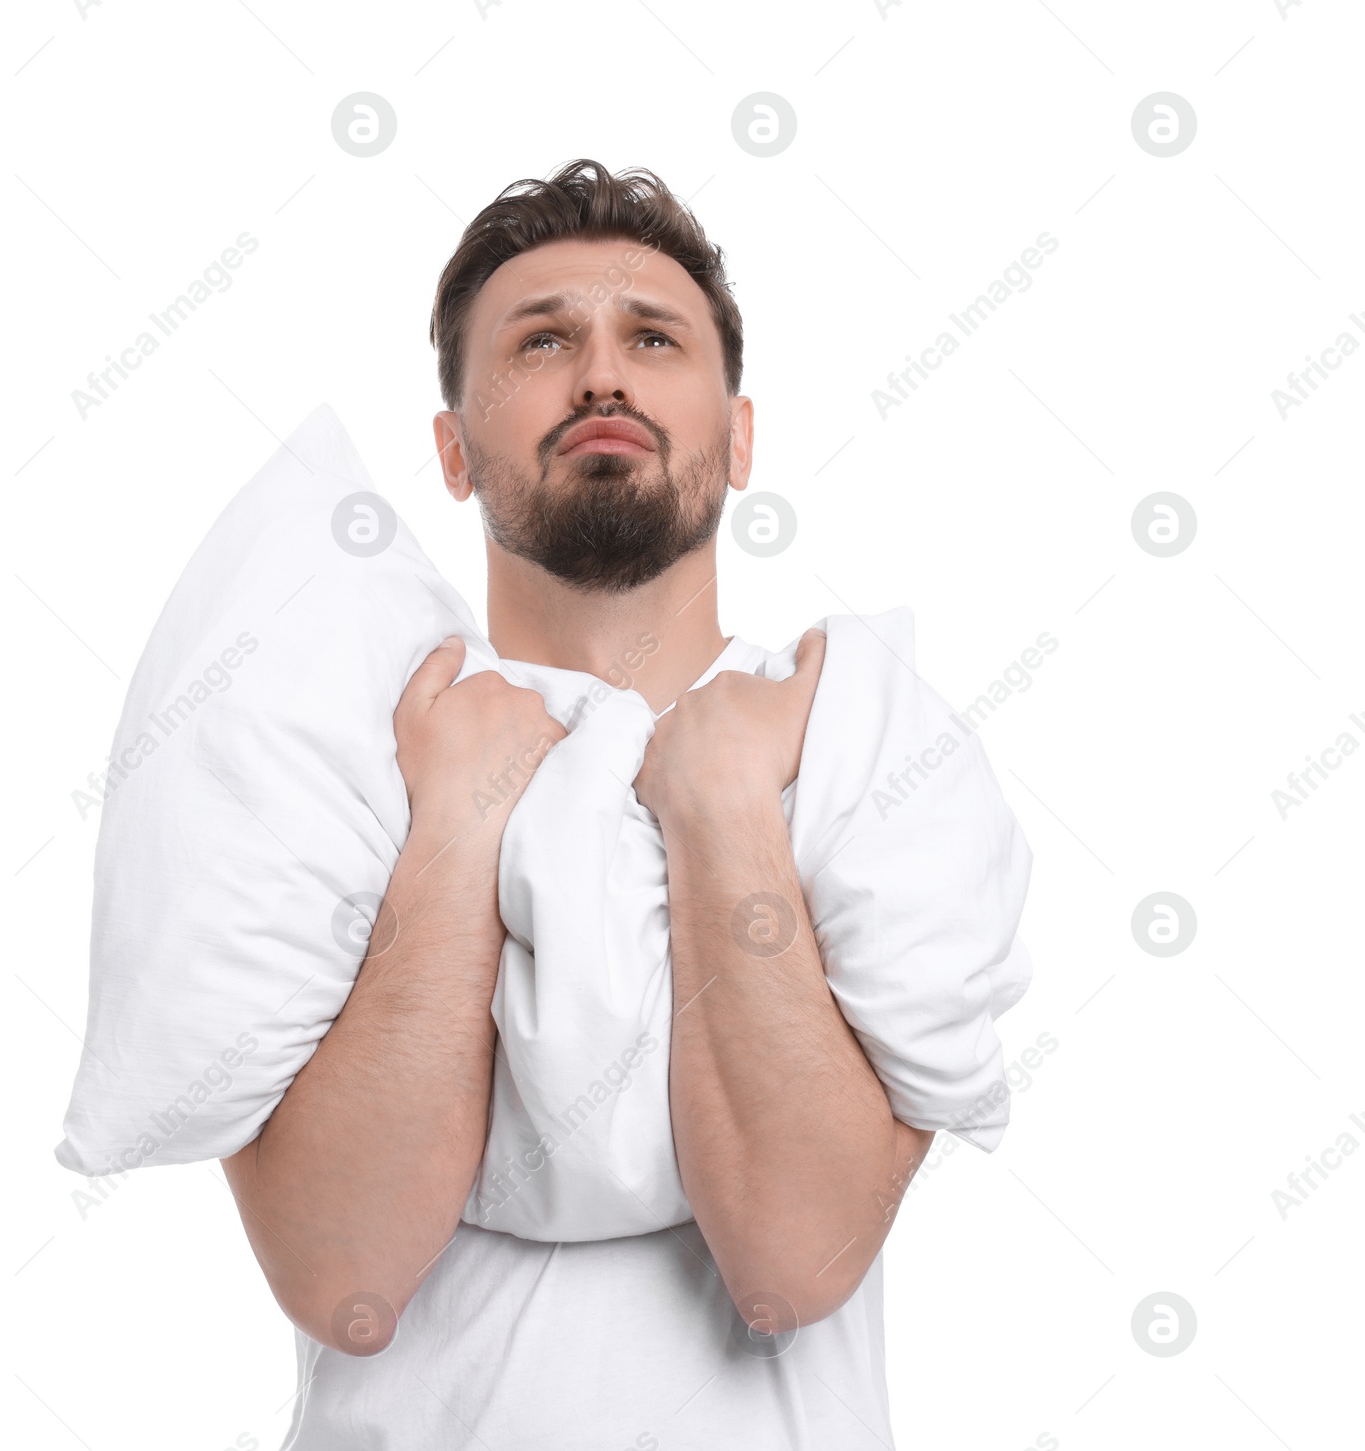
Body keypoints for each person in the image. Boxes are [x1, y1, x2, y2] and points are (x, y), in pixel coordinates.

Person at [223, 158, 939, 1449]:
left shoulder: (854, 740)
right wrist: (455, 825)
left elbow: (792, 1258)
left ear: (741, 435)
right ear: (450, 449)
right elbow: (345, 1277)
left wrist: (718, 795)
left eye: (652, 339)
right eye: (543, 339)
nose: (601, 375)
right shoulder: (334, 750)